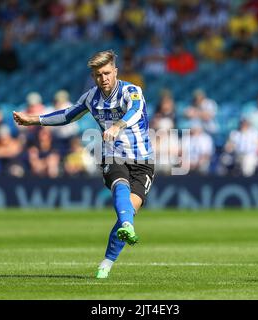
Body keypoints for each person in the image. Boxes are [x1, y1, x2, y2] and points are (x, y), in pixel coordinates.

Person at [13, 50, 155, 279]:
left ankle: (106, 263)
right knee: (120, 185)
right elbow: (68, 115)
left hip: (143, 162)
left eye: (107, 73)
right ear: (93, 76)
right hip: (113, 156)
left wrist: (118, 126)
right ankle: (128, 226)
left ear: (115, 71)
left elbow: (136, 111)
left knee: (126, 212)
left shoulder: (132, 91)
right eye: (98, 75)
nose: (104, 79)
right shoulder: (91, 98)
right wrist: (34, 120)